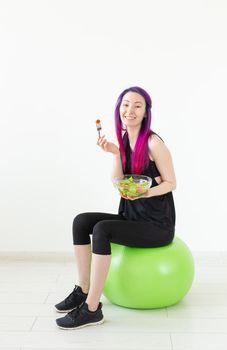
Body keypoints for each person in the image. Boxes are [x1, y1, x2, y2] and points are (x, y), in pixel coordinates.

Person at [55, 86, 176, 329]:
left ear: (145, 112)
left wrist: (146, 191)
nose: (130, 110)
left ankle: (91, 308)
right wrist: (114, 153)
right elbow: (118, 184)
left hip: (156, 225)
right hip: (131, 217)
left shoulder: (153, 143)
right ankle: (83, 289)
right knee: (81, 221)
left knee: (101, 230)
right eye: (125, 104)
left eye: (137, 105)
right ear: (119, 108)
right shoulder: (123, 141)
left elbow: (171, 182)